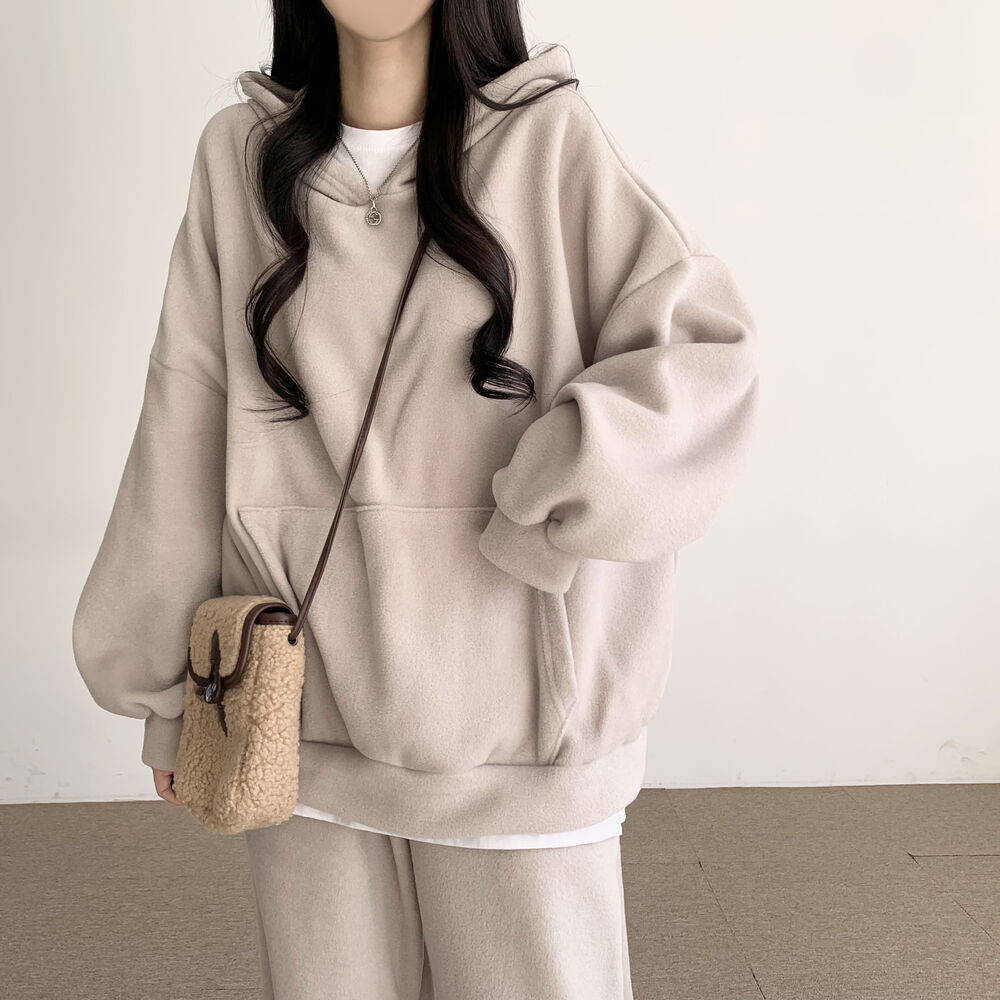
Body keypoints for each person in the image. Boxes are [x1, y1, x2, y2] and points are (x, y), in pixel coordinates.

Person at [71, 1, 760, 997]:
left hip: (514, 742)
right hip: (300, 724)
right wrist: (170, 697)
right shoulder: (240, 158)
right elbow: (184, 419)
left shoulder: (549, 142)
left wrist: (548, 499)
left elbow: (704, 363)